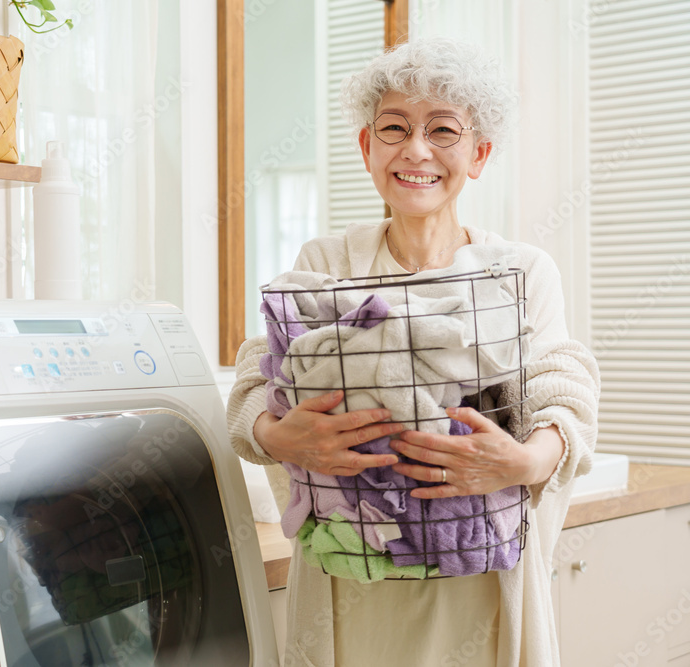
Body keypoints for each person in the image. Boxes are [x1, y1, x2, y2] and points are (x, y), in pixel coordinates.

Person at [226, 38, 600, 667]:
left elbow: (563, 387)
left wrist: (522, 462)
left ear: (478, 155)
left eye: (442, 130)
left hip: (480, 592)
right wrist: (279, 436)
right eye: (394, 128)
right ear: (368, 149)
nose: (417, 150)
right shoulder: (329, 262)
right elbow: (259, 375)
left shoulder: (519, 272)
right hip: (354, 586)